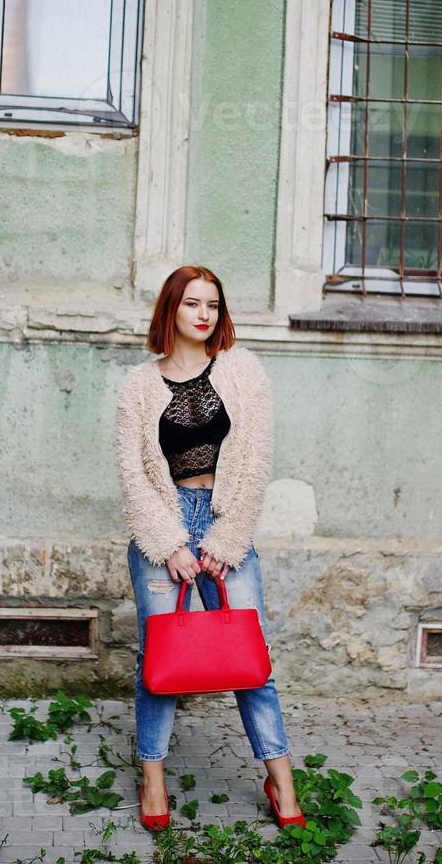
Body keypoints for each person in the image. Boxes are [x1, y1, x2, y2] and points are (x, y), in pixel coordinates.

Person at [114, 263, 304, 832]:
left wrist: (225, 541)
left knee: (252, 663)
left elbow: (255, 465)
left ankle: (282, 779)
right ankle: (152, 776)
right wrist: (170, 543)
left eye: (213, 305)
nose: (204, 314)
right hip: (164, 528)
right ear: (170, 309)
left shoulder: (244, 372)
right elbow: (133, 475)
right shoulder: (138, 386)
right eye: (193, 303)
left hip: (226, 525)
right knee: (161, 661)